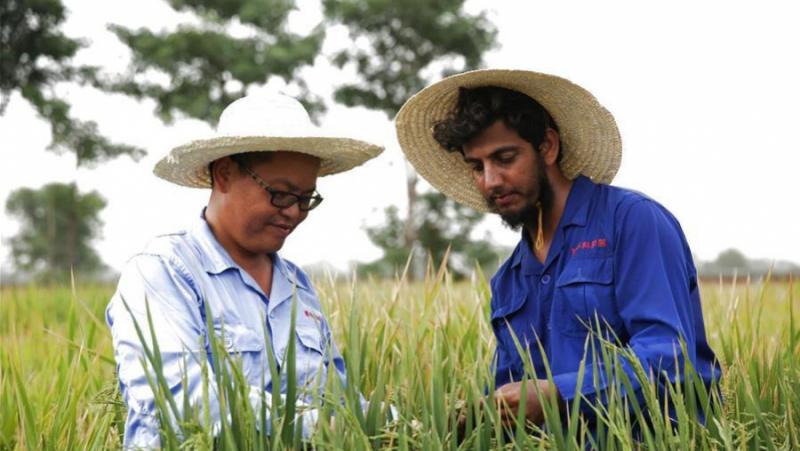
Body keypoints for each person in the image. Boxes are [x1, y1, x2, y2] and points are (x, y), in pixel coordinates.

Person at [395, 69, 721, 431]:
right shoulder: (510, 279)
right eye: (477, 166)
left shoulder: (632, 221)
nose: (490, 181)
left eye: (505, 158)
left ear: (547, 147)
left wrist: (559, 394)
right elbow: (511, 397)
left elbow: (668, 356)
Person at [106, 93, 383, 448]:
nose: (295, 213)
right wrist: (332, 428)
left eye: (306, 199)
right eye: (281, 194)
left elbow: (339, 401)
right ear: (224, 173)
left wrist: (397, 421)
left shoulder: (296, 286)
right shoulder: (163, 273)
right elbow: (182, 402)